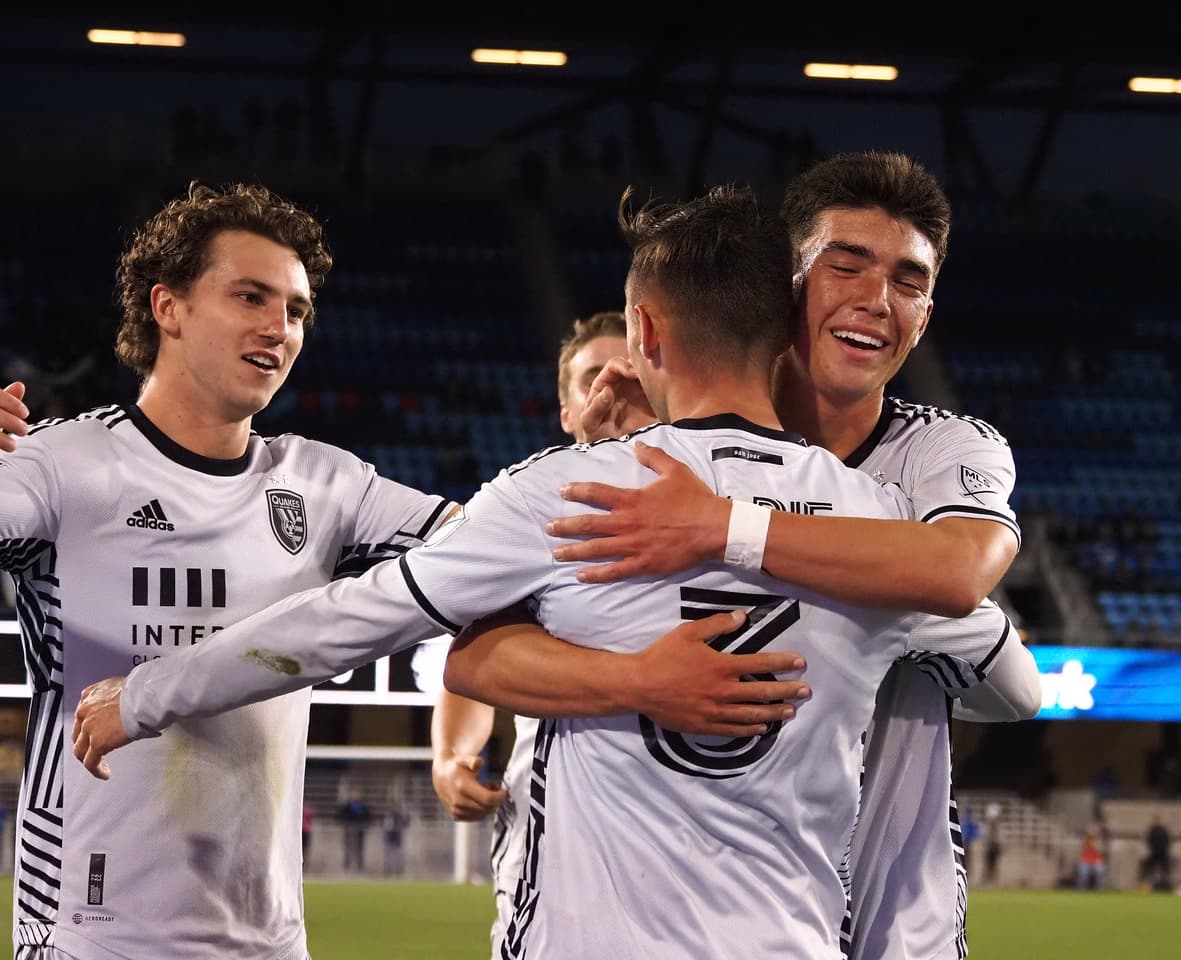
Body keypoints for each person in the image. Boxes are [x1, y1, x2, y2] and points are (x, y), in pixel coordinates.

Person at [71, 182, 1039, 958]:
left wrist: (147, 694)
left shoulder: (570, 493)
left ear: (647, 335)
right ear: (780, 324)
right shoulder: (875, 529)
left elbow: (348, 620)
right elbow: (1013, 685)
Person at [542, 150, 1024, 959]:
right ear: (786, 282)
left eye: (908, 282)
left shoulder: (945, 449)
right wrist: (627, 452)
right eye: (847, 265)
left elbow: (957, 574)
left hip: (898, 928)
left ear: (927, 315)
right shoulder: (674, 461)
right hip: (719, 918)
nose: (877, 301)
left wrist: (722, 527)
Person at [0, 181, 465, 960]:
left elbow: (486, 550)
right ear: (168, 307)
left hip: (270, 944)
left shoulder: (326, 486)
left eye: (295, 310)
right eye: (250, 296)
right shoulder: (63, 464)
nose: (278, 328)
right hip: (94, 938)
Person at [426, 309, 628, 956]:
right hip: (558, 860)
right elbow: (476, 649)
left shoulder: (718, 506)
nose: (613, 388)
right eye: (593, 376)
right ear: (567, 411)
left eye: (630, 372)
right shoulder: (534, 515)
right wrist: (453, 756)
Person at [338, 788, 372, 872]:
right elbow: (340, 816)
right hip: (349, 829)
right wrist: (346, 823)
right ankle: (347, 865)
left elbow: (369, 817)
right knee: (348, 847)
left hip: (360, 830)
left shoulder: (363, 806)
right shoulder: (347, 806)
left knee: (359, 848)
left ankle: (360, 865)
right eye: (354, 794)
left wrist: (364, 824)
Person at [1143, 815, 1173, 890]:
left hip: (1163, 852)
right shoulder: (1152, 830)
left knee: (1165, 869)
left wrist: (1164, 848)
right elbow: (1148, 840)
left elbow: (1168, 840)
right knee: (1150, 868)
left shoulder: (1163, 830)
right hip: (1154, 852)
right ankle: (1149, 884)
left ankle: (1166, 884)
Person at [382, 802, 411, 876]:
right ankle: (388, 871)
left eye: (397, 807)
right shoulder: (389, 816)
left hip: (398, 839)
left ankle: (399, 871)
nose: (396, 809)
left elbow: (406, 825)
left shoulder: (401, 816)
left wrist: (407, 817)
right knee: (388, 856)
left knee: (399, 856)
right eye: (394, 807)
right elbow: (387, 826)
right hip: (390, 838)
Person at [1076, 820, 1106, 890]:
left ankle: (1101, 889)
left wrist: (1093, 843)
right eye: (1090, 830)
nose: (1092, 832)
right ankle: (1081, 889)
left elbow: (1099, 850)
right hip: (1085, 859)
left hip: (1096, 859)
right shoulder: (1085, 839)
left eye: (1094, 830)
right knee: (1083, 874)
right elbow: (1081, 848)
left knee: (1100, 872)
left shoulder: (1099, 839)